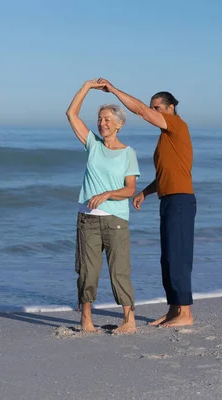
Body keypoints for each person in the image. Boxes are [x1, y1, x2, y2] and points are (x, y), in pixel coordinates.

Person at [97, 78, 196, 327]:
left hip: (181, 200)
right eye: (153, 108)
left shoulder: (176, 125)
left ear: (170, 108)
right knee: (168, 257)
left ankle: (186, 314)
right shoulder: (166, 137)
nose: (153, 112)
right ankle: (175, 310)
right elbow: (167, 174)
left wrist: (113, 90)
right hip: (169, 198)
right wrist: (145, 192)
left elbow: (139, 110)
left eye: (157, 108)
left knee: (179, 255)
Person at [65, 79, 140, 334]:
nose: (102, 123)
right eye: (100, 119)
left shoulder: (128, 153)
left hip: (116, 220)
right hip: (87, 219)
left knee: (119, 271)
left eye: (108, 119)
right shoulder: (93, 146)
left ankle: (129, 320)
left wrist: (107, 193)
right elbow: (71, 114)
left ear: (119, 124)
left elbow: (130, 189)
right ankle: (86, 319)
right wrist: (86, 87)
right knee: (88, 272)